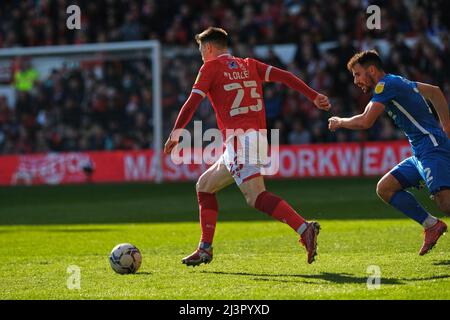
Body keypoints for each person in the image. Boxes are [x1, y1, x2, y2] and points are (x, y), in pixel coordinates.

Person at [164, 27, 331, 266]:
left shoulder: (209, 68)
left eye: (201, 48)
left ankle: (305, 228)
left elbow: (192, 103)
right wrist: (313, 95)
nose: (201, 53)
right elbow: (285, 76)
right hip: (256, 139)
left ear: (209, 47)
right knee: (204, 186)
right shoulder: (249, 64)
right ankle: (205, 249)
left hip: (240, 141)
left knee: (256, 197)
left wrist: (176, 132)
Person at [328, 50, 450, 255]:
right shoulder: (396, 81)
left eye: (357, 74)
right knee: (385, 188)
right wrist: (446, 128)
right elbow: (435, 92)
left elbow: (366, 121)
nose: (356, 81)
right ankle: (431, 225)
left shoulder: (386, 85)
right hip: (421, 152)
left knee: (446, 203)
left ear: (372, 70)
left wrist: (340, 121)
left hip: (432, 148)